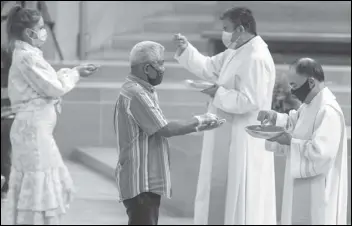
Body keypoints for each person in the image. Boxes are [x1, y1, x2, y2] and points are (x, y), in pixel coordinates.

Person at [173, 7, 277, 225]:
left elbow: (251, 102)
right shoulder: (237, 50)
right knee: (219, 190)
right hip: (226, 131)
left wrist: (215, 92)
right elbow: (210, 67)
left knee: (238, 197)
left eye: (227, 29)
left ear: (240, 28)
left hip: (243, 137)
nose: (224, 34)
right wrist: (187, 50)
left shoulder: (256, 57)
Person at [1, 5, 98, 225]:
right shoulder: (27, 57)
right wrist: (74, 73)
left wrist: (76, 72)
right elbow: (54, 87)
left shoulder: (29, 54)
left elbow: (47, 82)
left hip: (36, 130)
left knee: (46, 180)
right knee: (38, 183)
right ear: (29, 32)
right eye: (41, 27)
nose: (44, 31)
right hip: (32, 132)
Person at [114, 41, 224, 225]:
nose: (163, 69)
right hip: (141, 180)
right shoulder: (136, 93)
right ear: (147, 67)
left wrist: (197, 125)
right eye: (161, 63)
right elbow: (165, 129)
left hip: (144, 179)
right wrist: (200, 120)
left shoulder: (141, 90)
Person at [258, 58, 348, 225]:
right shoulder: (310, 104)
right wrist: (275, 118)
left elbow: (321, 154)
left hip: (318, 191)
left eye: (294, 85)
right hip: (303, 187)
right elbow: (296, 123)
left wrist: (290, 142)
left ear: (311, 82)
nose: (292, 91)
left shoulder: (328, 111)